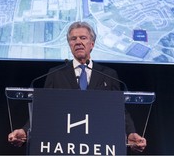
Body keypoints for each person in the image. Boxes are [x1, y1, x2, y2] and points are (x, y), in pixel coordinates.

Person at [8, 21, 147, 153]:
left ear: (92, 43)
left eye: (83, 38)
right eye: (73, 39)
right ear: (69, 45)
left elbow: (119, 109)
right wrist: (25, 131)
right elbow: (44, 109)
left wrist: (130, 133)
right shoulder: (56, 74)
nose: (78, 42)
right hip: (64, 143)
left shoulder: (108, 75)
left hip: (99, 142)